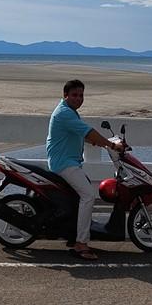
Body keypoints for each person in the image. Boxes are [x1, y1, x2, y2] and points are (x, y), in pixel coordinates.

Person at [47, 78, 124, 261]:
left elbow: (82, 134)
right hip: (64, 164)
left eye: (81, 95)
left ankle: (73, 233)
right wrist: (111, 146)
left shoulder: (69, 112)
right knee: (89, 195)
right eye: (74, 95)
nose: (78, 98)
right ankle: (80, 243)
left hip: (67, 162)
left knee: (80, 195)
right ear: (65, 95)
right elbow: (88, 131)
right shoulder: (65, 113)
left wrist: (100, 143)